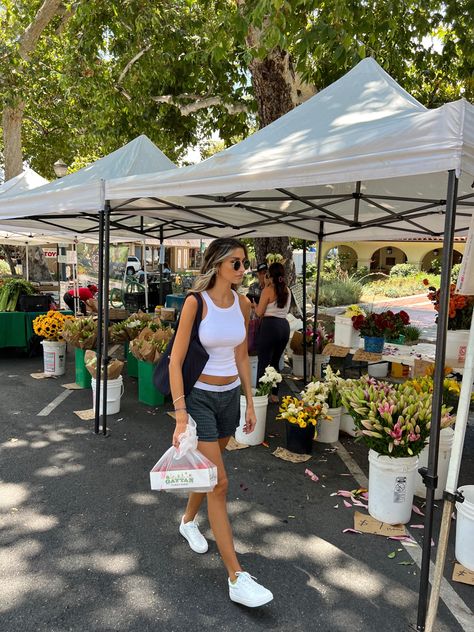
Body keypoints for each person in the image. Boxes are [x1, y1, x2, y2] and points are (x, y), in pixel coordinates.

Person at [168, 237, 273, 608]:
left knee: (208, 473)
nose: (244, 270)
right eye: (237, 263)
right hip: (198, 398)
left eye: (244, 263)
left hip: (229, 398)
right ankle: (236, 577)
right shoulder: (196, 303)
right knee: (219, 483)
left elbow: (242, 354)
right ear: (217, 265)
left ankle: (187, 521)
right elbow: (175, 361)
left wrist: (249, 400)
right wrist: (181, 413)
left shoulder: (243, 303)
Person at [253, 262, 291, 403]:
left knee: (263, 362)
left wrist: (255, 306)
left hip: (270, 326)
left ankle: (260, 397)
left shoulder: (268, 290)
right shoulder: (287, 289)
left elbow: (259, 312)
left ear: (270, 275)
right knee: (275, 362)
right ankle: (274, 395)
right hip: (283, 326)